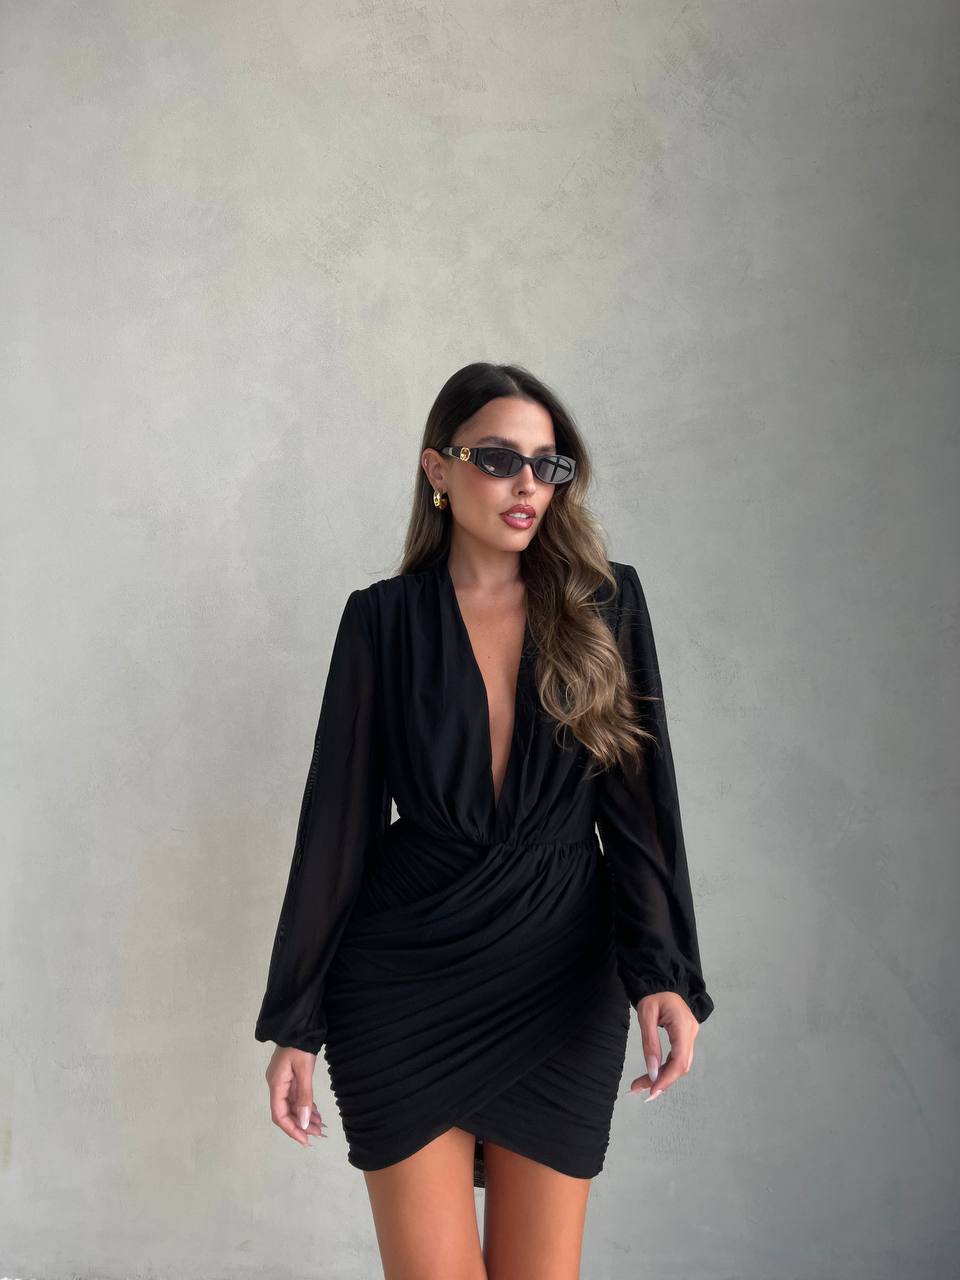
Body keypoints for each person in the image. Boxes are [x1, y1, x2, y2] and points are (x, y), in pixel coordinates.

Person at [254, 361, 716, 1279]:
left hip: (561, 979)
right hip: (404, 981)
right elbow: (336, 824)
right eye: (499, 459)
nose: (527, 484)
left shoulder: (605, 603)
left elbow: (639, 807)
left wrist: (661, 971)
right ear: (439, 467)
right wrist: (296, 1021)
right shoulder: (381, 621)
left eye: (548, 464)